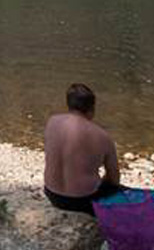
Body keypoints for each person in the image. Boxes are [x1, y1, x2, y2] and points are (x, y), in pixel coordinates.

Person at [42, 83, 125, 214]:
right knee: (119, 191)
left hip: (52, 194)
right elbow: (114, 178)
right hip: (83, 201)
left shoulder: (52, 122)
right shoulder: (102, 136)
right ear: (92, 108)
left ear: (68, 104)